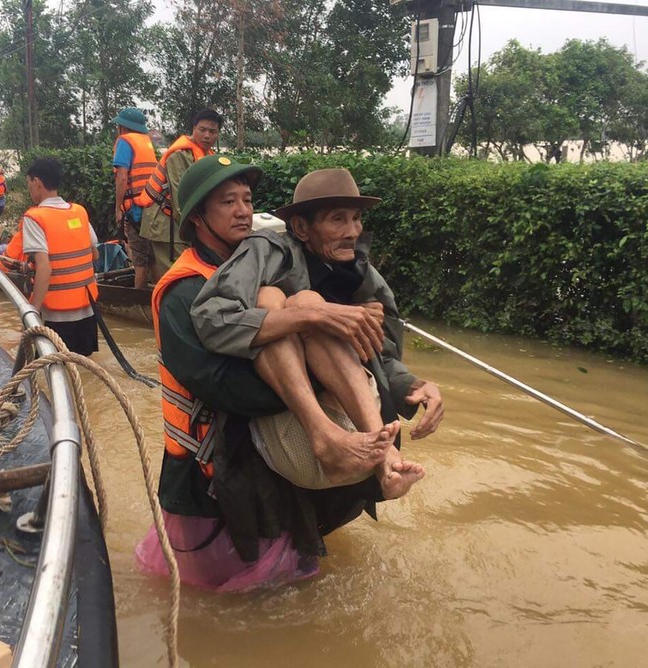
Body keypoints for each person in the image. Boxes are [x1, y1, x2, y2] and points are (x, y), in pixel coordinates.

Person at [136, 157, 442, 592]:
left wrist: (408, 385)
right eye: (228, 202)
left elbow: (363, 349)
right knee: (224, 601)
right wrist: (322, 368)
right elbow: (225, 388)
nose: (243, 210)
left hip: (276, 458)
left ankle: (376, 461)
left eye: (247, 199)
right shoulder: (184, 292)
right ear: (198, 218)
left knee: (291, 583)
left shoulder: (289, 266)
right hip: (214, 469)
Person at [191, 167, 440, 493]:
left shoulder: (360, 271)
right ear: (301, 228)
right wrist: (315, 315)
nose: (352, 231)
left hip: (360, 428)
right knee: (294, 300)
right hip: (296, 431)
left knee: (310, 304)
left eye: (356, 218)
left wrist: (414, 385)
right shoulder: (267, 249)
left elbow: (382, 350)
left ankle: (386, 461)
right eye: (338, 219)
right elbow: (211, 317)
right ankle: (325, 435)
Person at [3, 157, 100, 356]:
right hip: (88, 312)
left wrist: (33, 311)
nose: (29, 188)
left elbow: (44, 267)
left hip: (56, 317)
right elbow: (94, 254)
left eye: (28, 183)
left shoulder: (35, 217)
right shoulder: (79, 212)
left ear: (36, 182)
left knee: (51, 372)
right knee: (83, 370)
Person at [138, 109, 221, 277]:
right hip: (165, 225)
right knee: (173, 276)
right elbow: (179, 199)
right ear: (193, 128)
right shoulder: (179, 155)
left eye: (212, 132)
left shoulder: (207, 156)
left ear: (218, 134)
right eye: (202, 129)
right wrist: (201, 229)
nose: (207, 135)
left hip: (181, 224)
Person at [112, 107, 158, 288]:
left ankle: (137, 302)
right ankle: (158, 294)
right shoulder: (146, 142)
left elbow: (122, 177)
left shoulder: (124, 141)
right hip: (152, 206)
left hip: (135, 210)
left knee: (139, 261)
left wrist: (118, 207)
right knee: (152, 257)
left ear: (122, 127)